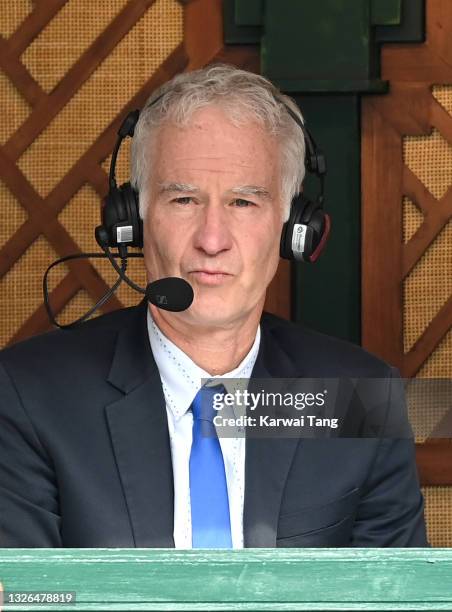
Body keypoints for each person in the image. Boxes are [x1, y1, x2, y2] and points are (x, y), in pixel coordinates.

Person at [0, 65, 428, 548]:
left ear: (292, 229)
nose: (212, 239)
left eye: (244, 203)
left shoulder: (359, 399)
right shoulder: (26, 397)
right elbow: (29, 596)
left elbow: (392, 597)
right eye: (183, 199)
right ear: (134, 219)